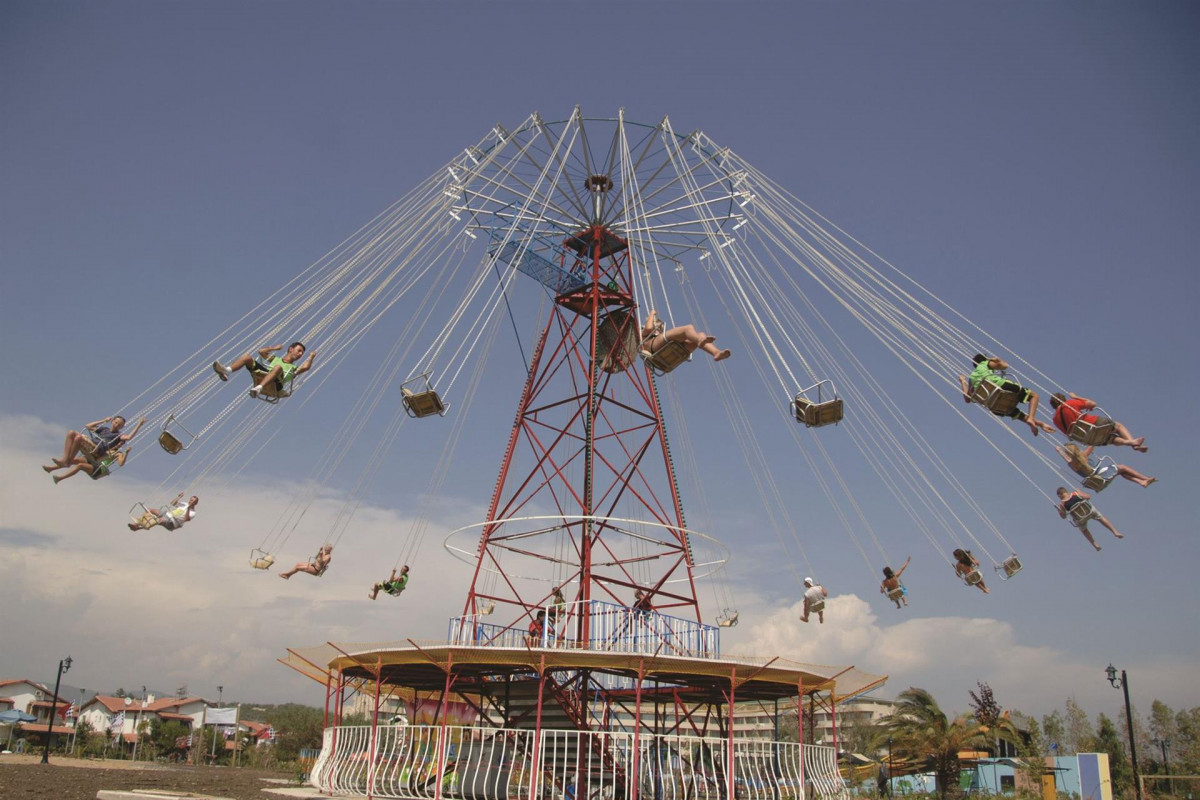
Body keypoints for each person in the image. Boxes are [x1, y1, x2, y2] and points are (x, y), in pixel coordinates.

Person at [959, 355, 1053, 436]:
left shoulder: (971, 378)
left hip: (992, 404)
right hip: (1001, 387)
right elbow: (1005, 366)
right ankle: (1031, 418)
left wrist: (963, 382)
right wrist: (996, 360)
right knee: (1034, 396)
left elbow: (967, 399)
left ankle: (1040, 424)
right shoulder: (985, 363)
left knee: (1015, 413)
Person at [213, 342, 317, 399]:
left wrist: (311, 357)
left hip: (277, 384)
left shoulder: (294, 368)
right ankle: (227, 370)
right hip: (265, 374)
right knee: (247, 357)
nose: (300, 354)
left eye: (302, 353)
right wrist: (275, 348)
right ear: (290, 349)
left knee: (278, 368)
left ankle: (259, 388)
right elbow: (261, 351)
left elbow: (306, 367)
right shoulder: (275, 359)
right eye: (299, 351)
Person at [1049, 393, 1146, 452]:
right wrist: (1075, 397)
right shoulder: (1069, 404)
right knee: (1118, 426)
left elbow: (1068, 435)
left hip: (1086, 439)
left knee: (1111, 439)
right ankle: (1133, 443)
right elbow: (1093, 404)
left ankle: (1130, 442)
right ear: (1063, 399)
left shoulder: (1055, 420)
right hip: (1093, 424)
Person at [47, 415, 146, 470]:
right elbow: (88, 426)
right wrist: (103, 420)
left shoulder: (118, 436)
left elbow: (128, 437)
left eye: (119, 425)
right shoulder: (104, 429)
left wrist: (139, 425)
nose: (116, 425)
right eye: (115, 422)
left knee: (79, 438)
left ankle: (67, 462)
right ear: (112, 422)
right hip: (92, 443)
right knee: (72, 433)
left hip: (97, 449)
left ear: (121, 427)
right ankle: (65, 459)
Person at [641, 310, 730, 362]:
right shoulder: (646, 334)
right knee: (688, 328)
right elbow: (649, 328)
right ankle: (700, 340)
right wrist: (651, 314)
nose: (659, 329)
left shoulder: (660, 336)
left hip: (670, 349)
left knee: (701, 334)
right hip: (654, 348)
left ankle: (716, 353)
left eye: (660, 327)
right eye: (658, 326)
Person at [1056, 443, 1156, 488]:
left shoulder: (1072, 465)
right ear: (1077, 450)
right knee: (1122, 467)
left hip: (1095, 480)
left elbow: (1067, 458)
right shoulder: (1084, 456)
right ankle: (1145, 478)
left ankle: (1141, 482)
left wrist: (1060, 451)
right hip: (1101, 474)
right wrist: (1092, 440)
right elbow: (1092, 445)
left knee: (1120, 472)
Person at [1056, 487, 1123, 551]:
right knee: (1101, 518)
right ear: (1066, 491)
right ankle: (1115, 532)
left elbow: (1064, 517)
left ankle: (1094, 544)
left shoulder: (1062, 504)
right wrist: (1079, 491)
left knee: (1084, 530)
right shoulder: (1075, 493)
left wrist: (1060, 511)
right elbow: (1088, 497)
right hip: (1090, 511)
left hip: (1080, 518)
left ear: (1059, 495)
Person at [46, 448, 130, 484]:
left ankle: (59, 478)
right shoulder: (108, 447)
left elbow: (121, 463)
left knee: (80, 465)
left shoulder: (118, 453)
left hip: (99, 468)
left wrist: (126, 453)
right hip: (93, 461)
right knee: (73, 460)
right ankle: (51, 469)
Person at [128, 493, 199, 531]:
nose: (191, 501)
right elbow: (173, 503)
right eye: (191, 500)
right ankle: (136, 523)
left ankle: (139, 527)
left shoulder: (193, 512)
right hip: (168, 514)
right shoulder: (184, 504)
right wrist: (179, 497)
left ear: (196, 503)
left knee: (159, 520)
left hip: (174, 522)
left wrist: (188, 509)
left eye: (193, 501)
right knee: (150, 510)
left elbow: (186, 519)